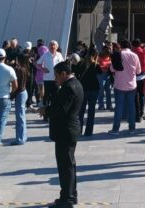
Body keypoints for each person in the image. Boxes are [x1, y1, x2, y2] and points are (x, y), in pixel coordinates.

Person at [41, 62, 84, 208]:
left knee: (65, 166)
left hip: (65, 131)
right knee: (69, 165)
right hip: (68, 130)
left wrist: (46, 111)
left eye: (56, 75)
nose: (55, 79)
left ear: (64, 74)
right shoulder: (76, 83)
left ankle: (67, 199)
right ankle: (70, 195)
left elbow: (61, 109)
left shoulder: (69, 87)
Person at [108, 40, 140, 135]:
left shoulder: (118, 55)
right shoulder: (135, 55)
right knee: (131, 107)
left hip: (119, 84)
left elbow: (112, 69)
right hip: (131, 85)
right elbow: (138, 71)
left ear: (121, 46)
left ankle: (116, 129)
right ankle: (132, 128)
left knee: (119, 107)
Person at [37, 41, 64, 121]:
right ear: (48, 46)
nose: (52, 47)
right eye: (51, 45)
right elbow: (37, 64)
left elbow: (63, 64)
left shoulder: (59, 55)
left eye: (54, 45)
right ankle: (45, 115)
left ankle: (54, 114)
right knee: (46, 98)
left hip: (57, 80)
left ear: (57, 47)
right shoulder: (45, 55)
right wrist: (43, 69)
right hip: (47, 79)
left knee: (56, 97)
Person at [74, 51, 98, 137]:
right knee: (91, 111)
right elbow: (101, 73)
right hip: (94, 89)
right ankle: (89, 132)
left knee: (81, 111)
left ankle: (79, 131)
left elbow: (75, 72)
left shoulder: (81, 64)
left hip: (83, 89)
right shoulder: (96, 65)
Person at [11, 54, 30, 145]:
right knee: (21, 116)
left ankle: (20, 138)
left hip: (20, 93)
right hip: (23, 93)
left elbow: (19, 86)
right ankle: (23, 137)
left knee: (20, 117)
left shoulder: (20, 70)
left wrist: (12, 95)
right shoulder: (25, 68)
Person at [96, 46, 113, 111]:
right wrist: (103, 67)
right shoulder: (99, 57)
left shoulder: (109, 57)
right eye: (107, 51)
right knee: (101, 90)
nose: (109, 52)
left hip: (108, 74)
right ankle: (101, 105)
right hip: (101, 74)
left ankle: (109, 105)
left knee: (108, 90)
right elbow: (97, 65)